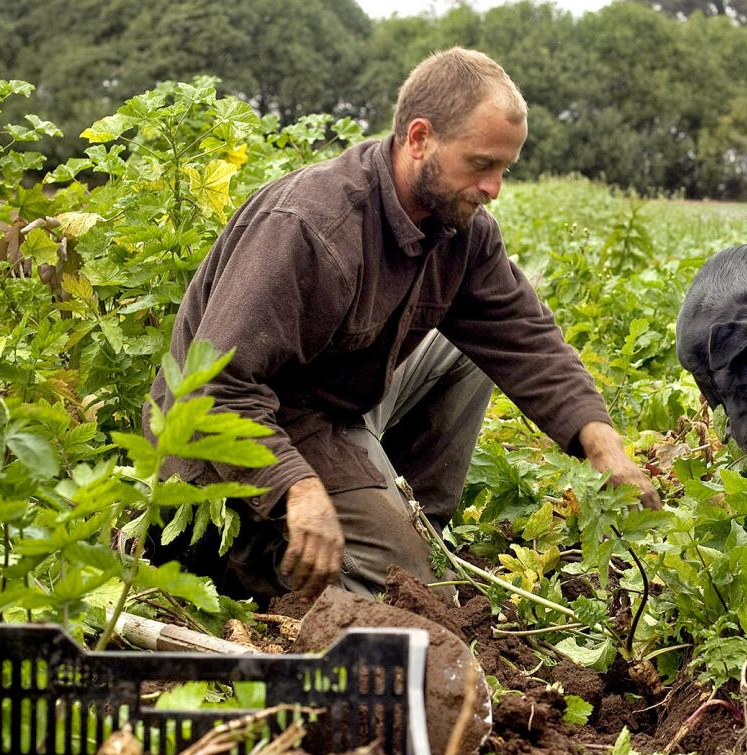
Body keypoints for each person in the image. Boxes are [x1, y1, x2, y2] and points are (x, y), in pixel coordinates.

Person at [145, 47, 659, 603]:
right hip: (235, 435)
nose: (493, 188)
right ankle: (256, 567)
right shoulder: (311, 227)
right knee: (404, 583)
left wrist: (602, 444)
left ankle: (412, 525)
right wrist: (295, 485)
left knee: (462, 356)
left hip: (339, 402)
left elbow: (524, 336)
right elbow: (210, 389)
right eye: (481, 164)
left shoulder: (460, 229)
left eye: (504, 169)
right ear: (419, 139)